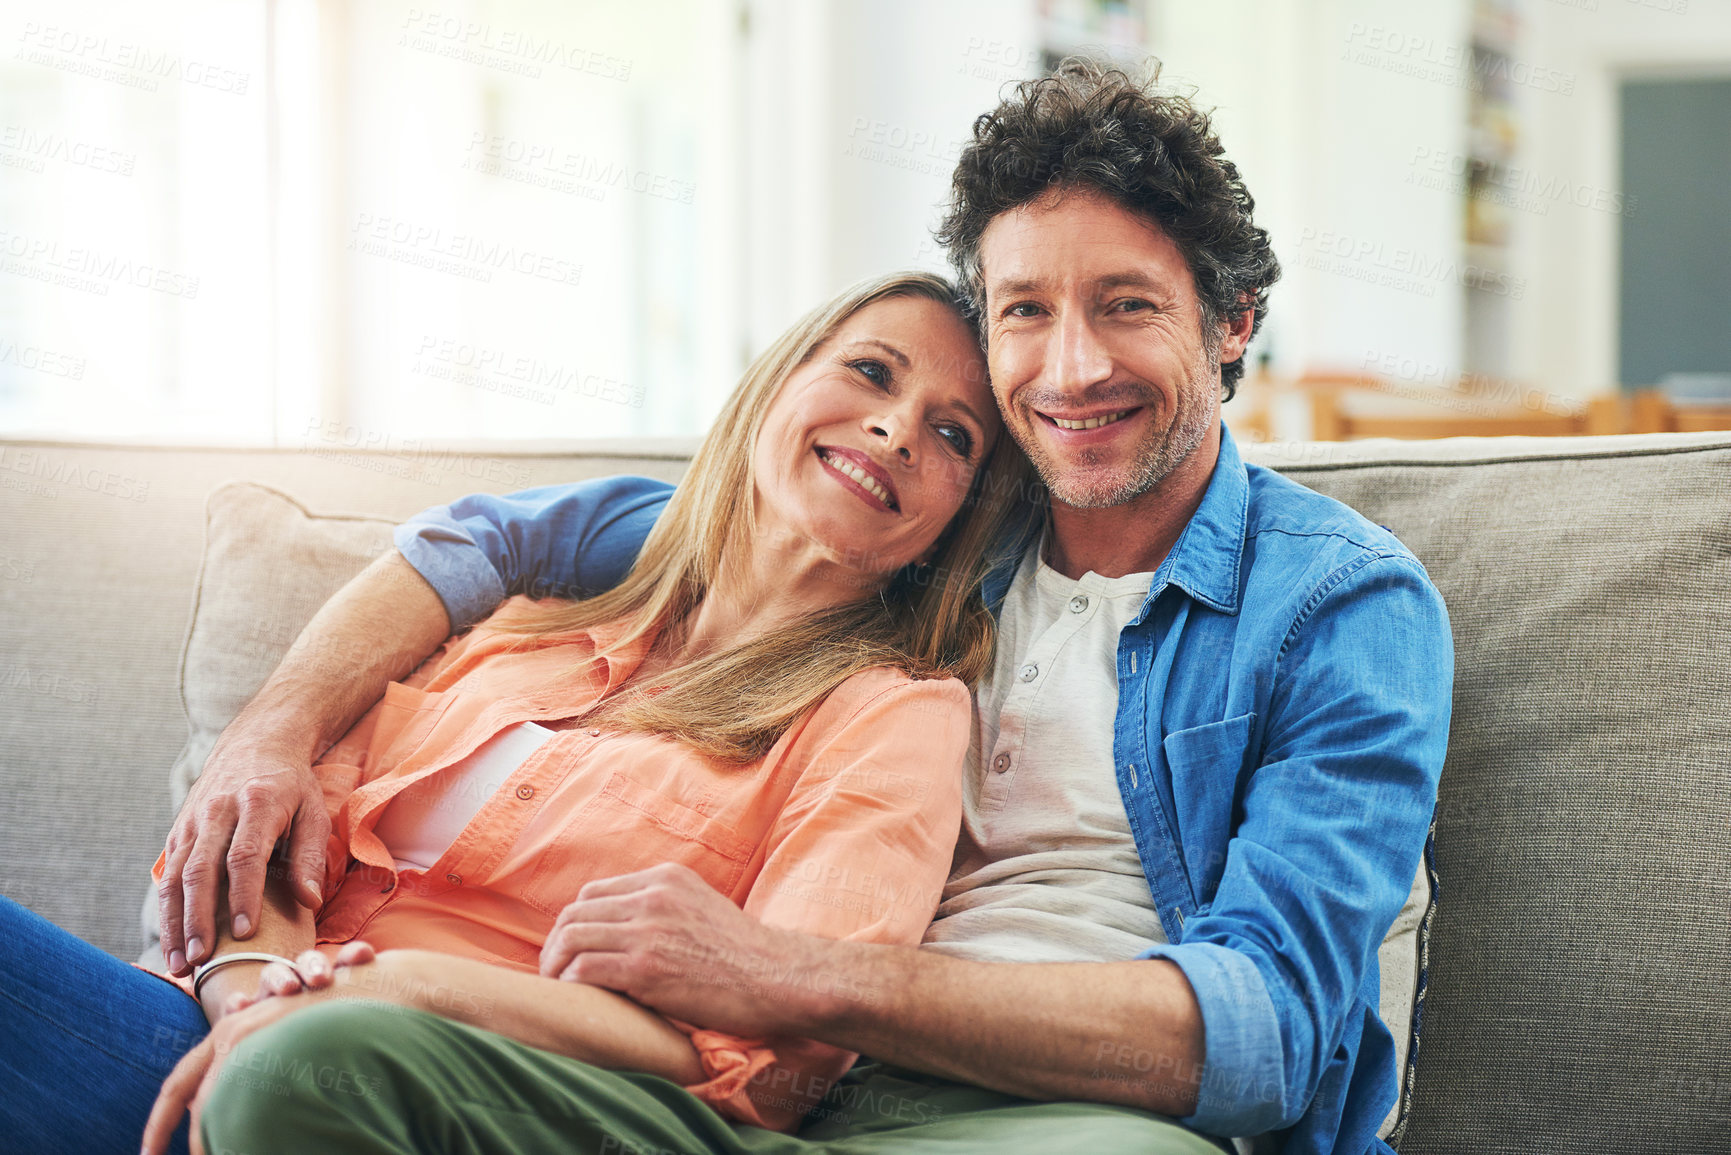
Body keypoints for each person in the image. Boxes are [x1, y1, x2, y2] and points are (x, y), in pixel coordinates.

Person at [168, 61, 1453, 1155]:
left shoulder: (1339, 607)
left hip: (1047, 1110)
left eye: (1128, 306)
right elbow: (511, 538)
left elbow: (1266, 1032)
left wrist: (786, 974)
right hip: (782, 1101)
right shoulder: (931, 517)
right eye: (1025, 312)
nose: (1072, 368)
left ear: (1231, 324)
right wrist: (273, 734)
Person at [0, 270, 1041, 1155]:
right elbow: (281, 841)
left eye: (953, 435)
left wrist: (408, 993)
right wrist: (252, 1000)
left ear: (962, 516)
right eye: (871, 371)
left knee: (304, 1071)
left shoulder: (893, 714)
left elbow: (774, 1056)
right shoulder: (530, 623)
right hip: (227, 1027)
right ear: (779, 382)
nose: (897, 430)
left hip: (465, 1094)